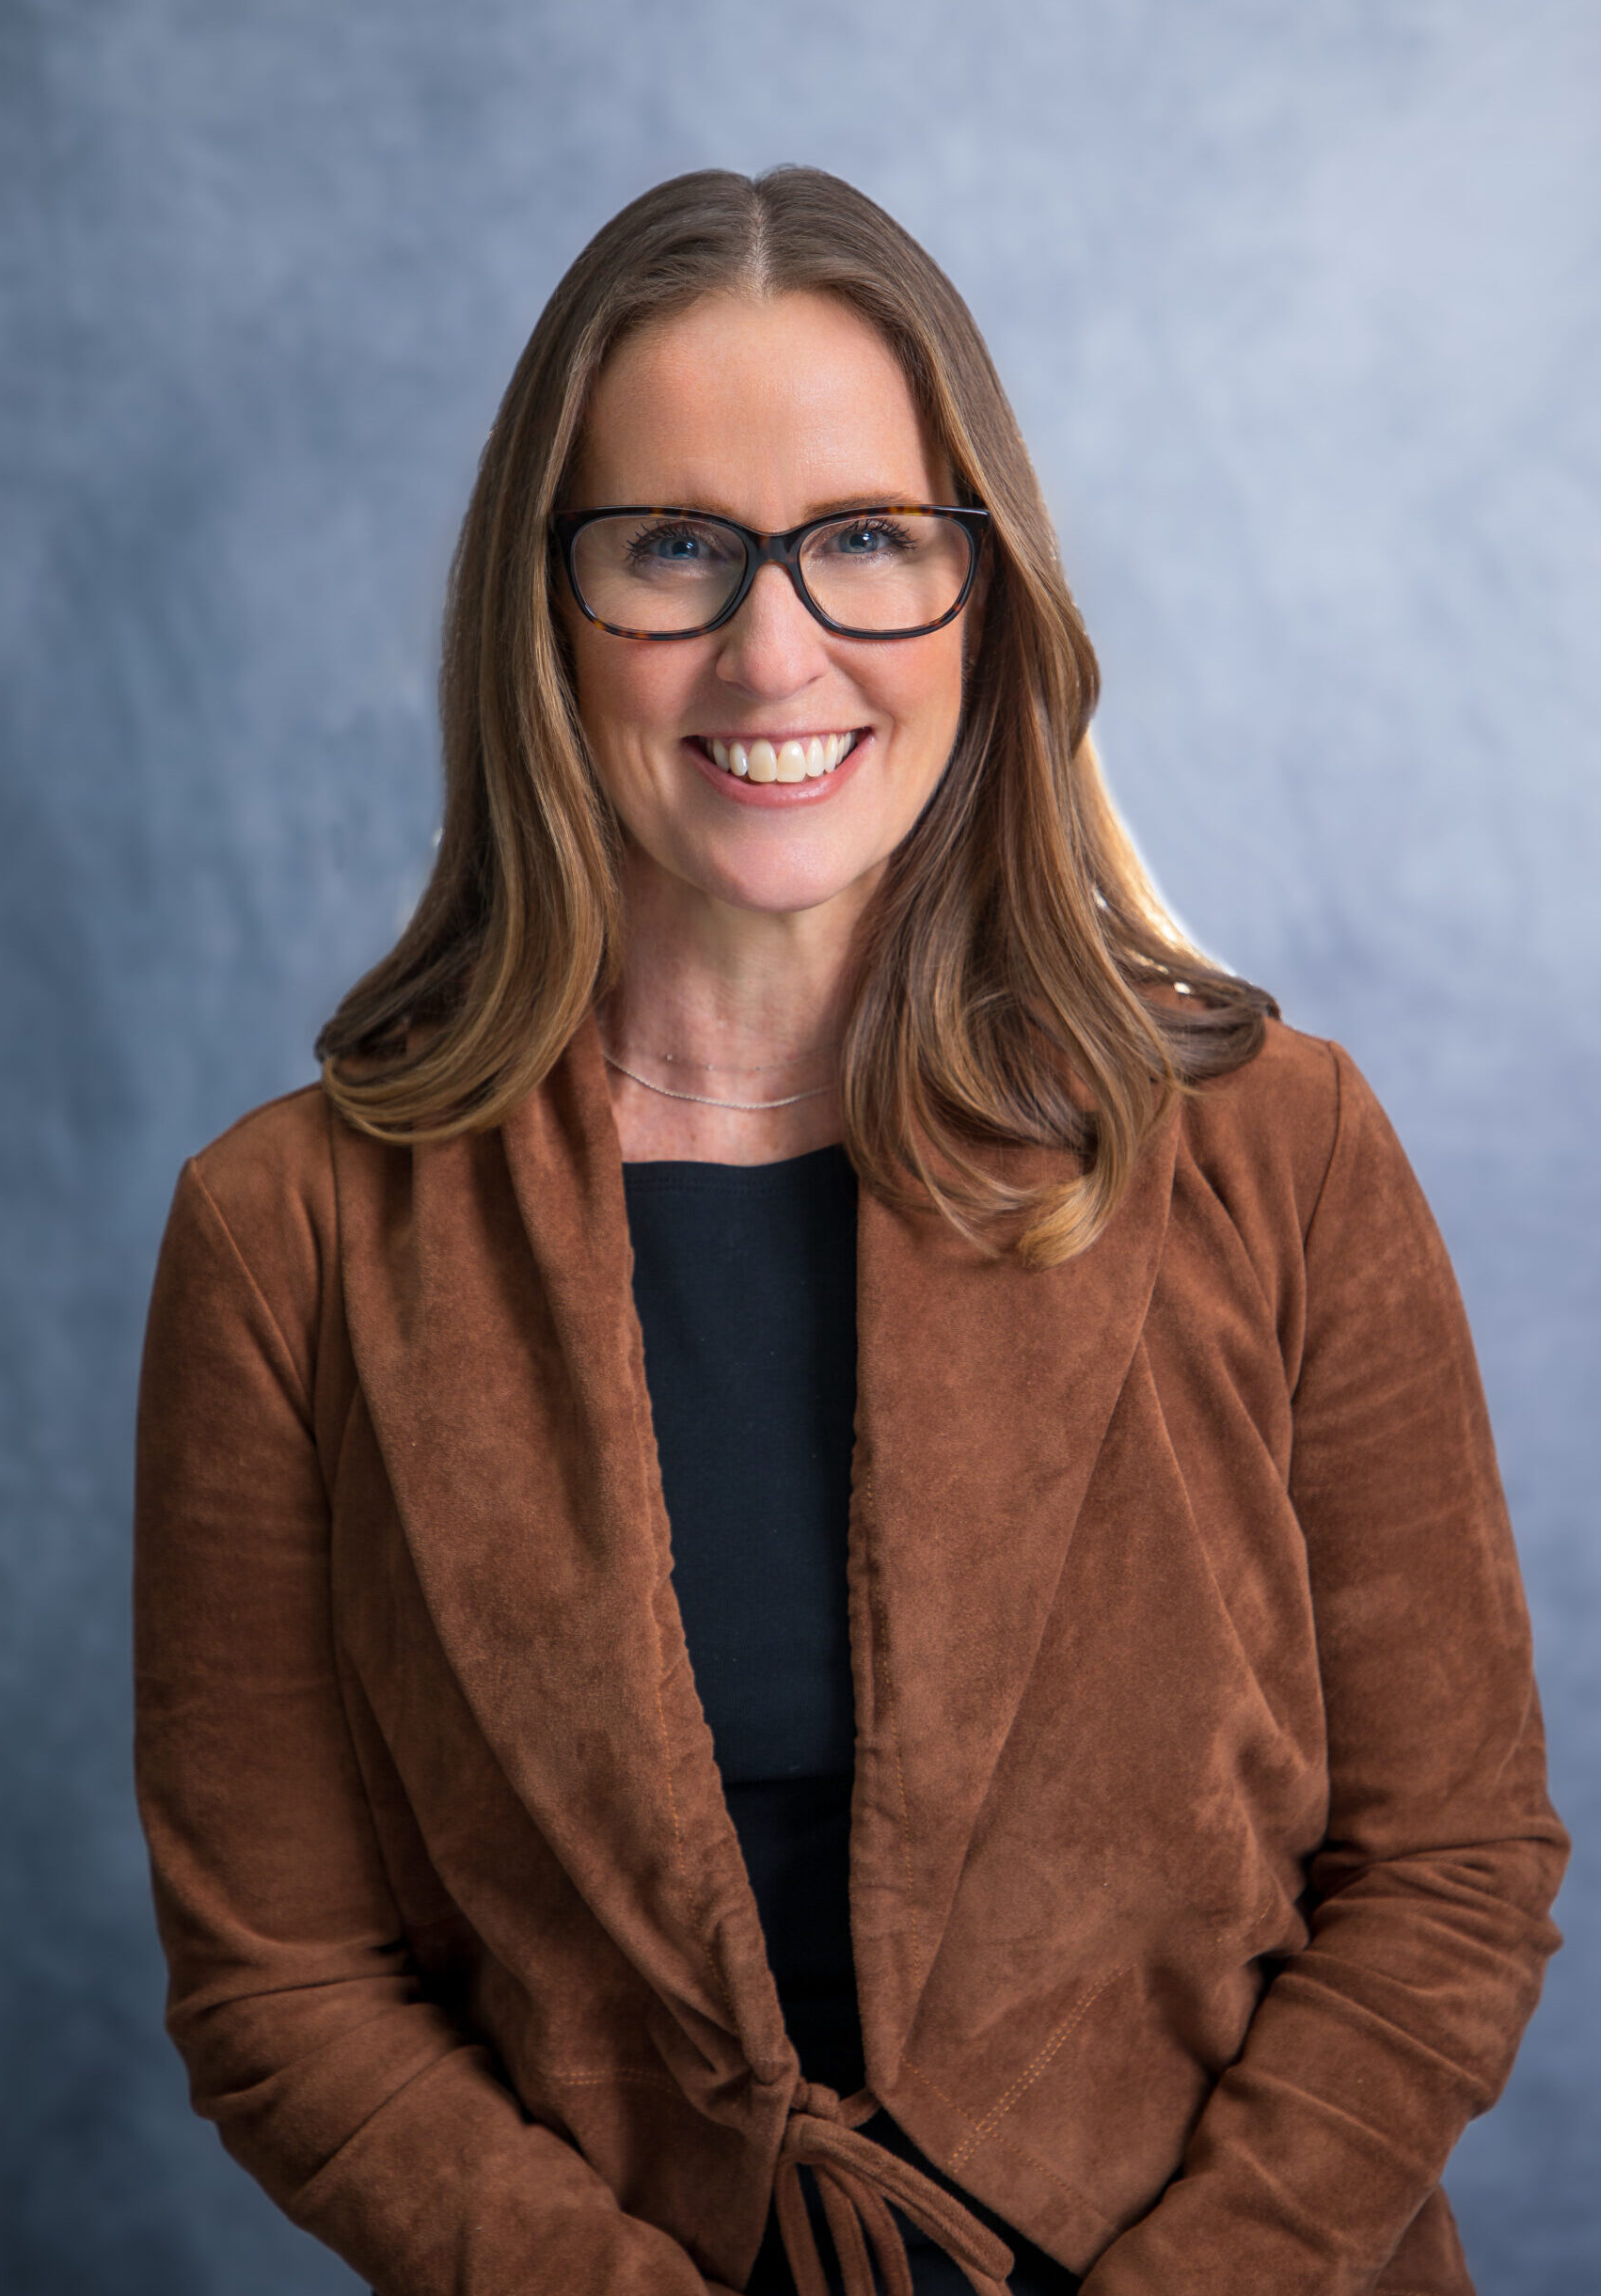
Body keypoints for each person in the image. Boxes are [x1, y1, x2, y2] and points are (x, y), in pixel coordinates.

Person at [132, 166, 1567, 2296]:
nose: (770, 645)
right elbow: (288, 1990)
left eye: (868, 540)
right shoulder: (289, 1239)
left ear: (983, 590)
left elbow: (1445, 1871)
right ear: (547, 604)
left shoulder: (1279, 1152)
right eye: (677, 547)